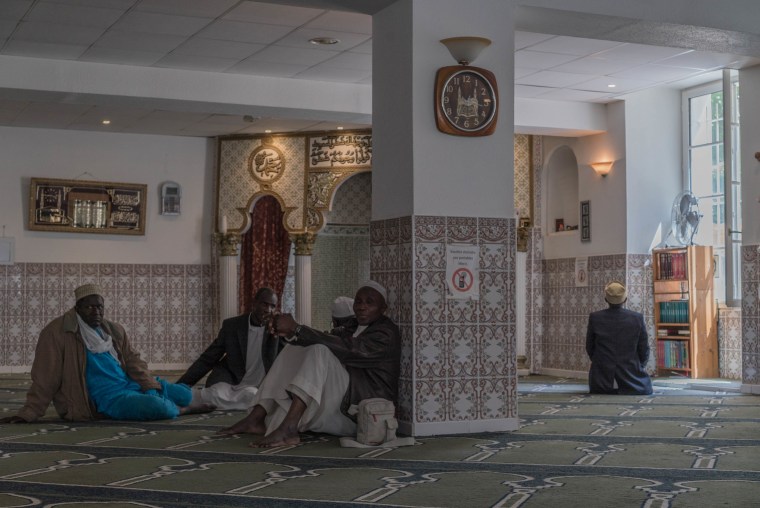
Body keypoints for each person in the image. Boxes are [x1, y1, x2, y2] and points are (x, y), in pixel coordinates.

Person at [219, 281, 400, 448]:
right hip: (345, 397)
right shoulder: (353, 325)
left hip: (360, 411)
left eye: (369, 302)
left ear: (383, 308)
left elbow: (349, 349)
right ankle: (256, 417)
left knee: (319, 351)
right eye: (359, 301)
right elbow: (329, 338)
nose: (362, 307)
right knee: (293, 348)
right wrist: (290, 333)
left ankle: (289, 428)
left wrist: (297, 328)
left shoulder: (386, 333)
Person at [1, 284, 192, 423]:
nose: (96, 312)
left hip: (129, 384)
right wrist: (29, 413)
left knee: (184, 394)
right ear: (77, 309)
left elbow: (134, 361)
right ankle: (177, 410)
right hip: (104, 399)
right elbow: (45, 377)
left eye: (99, 307)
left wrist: (149, 385)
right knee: (158, 407)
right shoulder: (57, 332)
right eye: (89, 307)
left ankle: (180, 404)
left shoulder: (113, 330)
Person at [177, 287, 285, 410]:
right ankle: (188, 396)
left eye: (272, 306)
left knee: (253, 396)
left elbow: (290, 354)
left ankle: (203, 402)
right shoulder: (232, 326)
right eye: (264, 304)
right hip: (230, 378)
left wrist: (283, 329)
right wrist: (181, 384)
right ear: (254, 303)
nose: (268, 310)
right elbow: (208, 358)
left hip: (256, 385)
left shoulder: (277, 330)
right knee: (216, 393)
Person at [586, 281, 653, 395]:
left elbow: (589, 347)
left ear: (606, 299)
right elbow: (644, 349)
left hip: (601, 379)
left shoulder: (595, 318)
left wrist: (600, 362)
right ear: (625, 299)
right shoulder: (637, 318)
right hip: (633, 378)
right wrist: (639, 366)